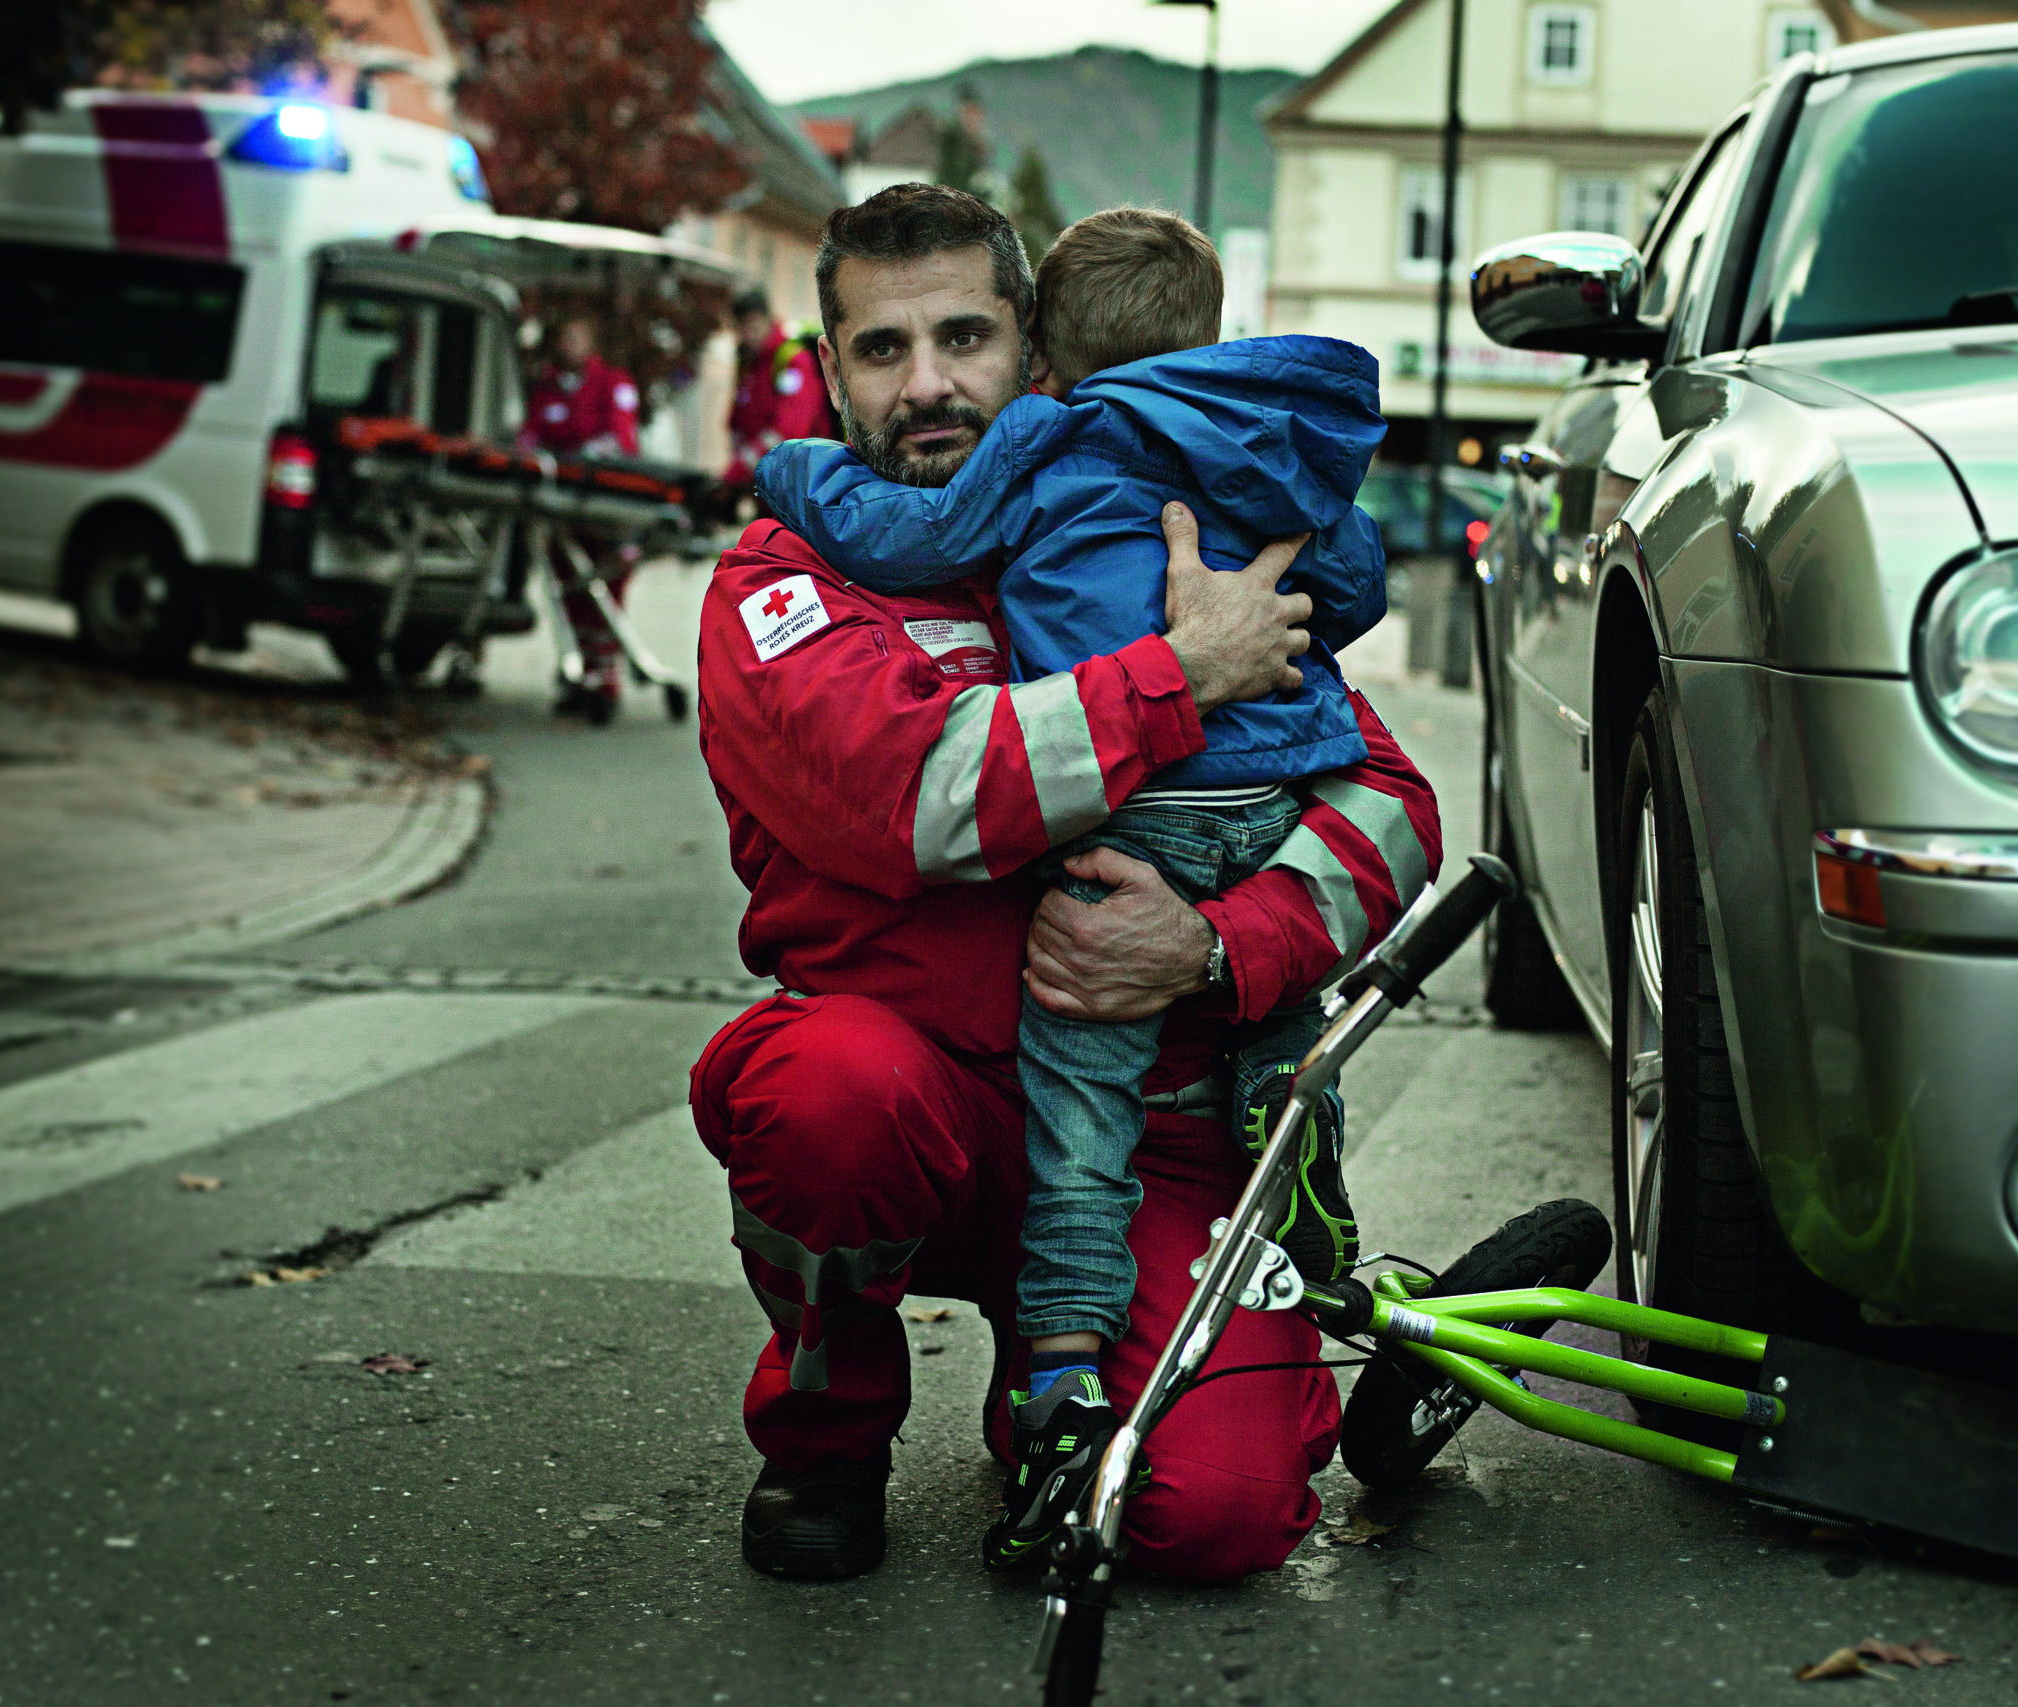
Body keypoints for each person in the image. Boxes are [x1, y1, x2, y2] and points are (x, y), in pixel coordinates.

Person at [692, 183, 1441, 1587]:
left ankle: (1137, 1377)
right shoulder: (785, 580)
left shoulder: (1176, 512)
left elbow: (1389, 804)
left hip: (1147, 1127)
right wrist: (1177, 677)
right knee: (818, 1089)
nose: (927, 384)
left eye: (965, 335)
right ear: (829, 369)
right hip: (928, 1113)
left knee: (1215, 1515)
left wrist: (1217, 944)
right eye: (879, 349)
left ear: (1036, 353)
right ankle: (828, 1426)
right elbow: (921, 796)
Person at [519, 317, 643, 723]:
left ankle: (605, 682)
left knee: (604, 589)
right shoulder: (548, 389)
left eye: (575, 334)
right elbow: (530, 435)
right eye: (563, 335)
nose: (568, 342)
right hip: (562, 505)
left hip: (606, 506)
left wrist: (581, 455)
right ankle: (580, 679)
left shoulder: (612, 384)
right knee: (569, 592)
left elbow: (620, 441)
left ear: (590, 341)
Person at [722, 286, 840, 499]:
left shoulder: (793, 362)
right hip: (767, 489)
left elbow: (788, 432)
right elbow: (736, 422)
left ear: (767, 319)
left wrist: (739, 469)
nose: (746, 336)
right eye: (740, 327)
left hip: (804, 490)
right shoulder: (750, 366)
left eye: (751, 325)